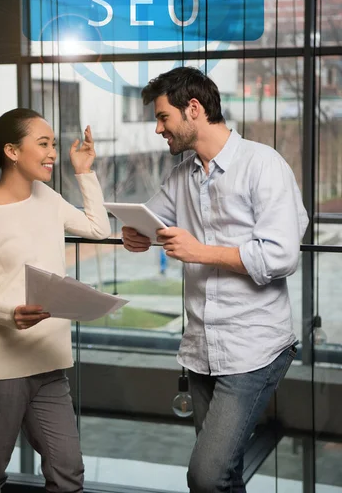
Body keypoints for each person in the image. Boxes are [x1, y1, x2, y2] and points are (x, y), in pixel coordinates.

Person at [122, 67, 309, 493]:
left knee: (206, 477)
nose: (157, 129)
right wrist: (134, 232)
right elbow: (151, 220)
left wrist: (200, 252)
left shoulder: (264, 165)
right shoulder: (180, 176)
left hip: (254, 347)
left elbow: (281, 255)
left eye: (163, 117)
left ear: (193, 110)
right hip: (202, 349)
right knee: (224, 475)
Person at [0, 108, 111, 493]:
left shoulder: (46, 196)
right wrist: (11, 313)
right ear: (11, 151)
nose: (52, 153)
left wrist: (84, 171)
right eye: (43, 144)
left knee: (68, 473)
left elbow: (98, 228)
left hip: (49, 363)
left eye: (54, 145)